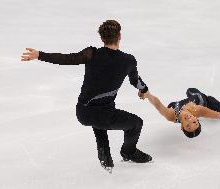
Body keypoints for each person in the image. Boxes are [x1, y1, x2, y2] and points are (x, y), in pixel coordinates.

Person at [21, 20, 152, 173]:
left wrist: (39, 55)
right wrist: (143, 90)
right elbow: (135, 81)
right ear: (120, 36)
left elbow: (67, 59)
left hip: (82, 112)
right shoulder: (128, 60)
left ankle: (104, 151)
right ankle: (128, 152)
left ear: (101, 39)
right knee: (136, 123)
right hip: (104, 115)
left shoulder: (91, 54)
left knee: (101, 112)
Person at [139, 88, 220, 138]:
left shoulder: (171, 116)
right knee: (190, 90)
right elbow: (217, 115)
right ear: (196, 118)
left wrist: (147, 95)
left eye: (188, 126)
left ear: (182, 127)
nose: (189, 121)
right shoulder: (198, 110)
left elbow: (158, 105)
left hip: (180, 104)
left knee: (172, 104)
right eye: (194, 122)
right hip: (200, 98)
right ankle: (209, 99)